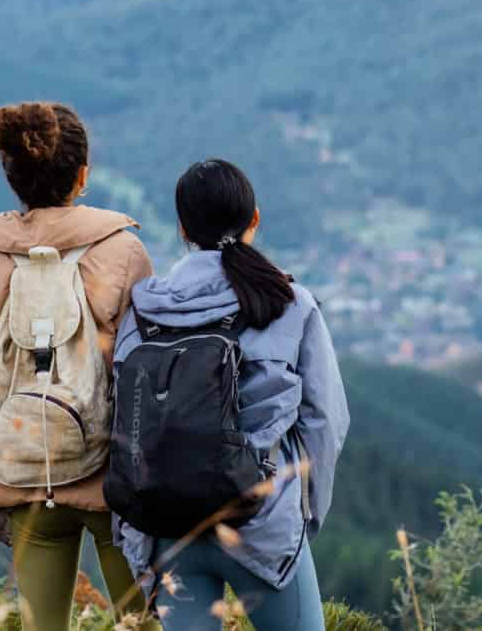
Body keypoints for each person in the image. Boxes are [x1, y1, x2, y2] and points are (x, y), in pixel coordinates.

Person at [117, 158, 350, 631]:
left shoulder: (144, 309)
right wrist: (306, 517)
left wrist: (133, 530)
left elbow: (120, 415)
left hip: (168, 528)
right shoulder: (287, 303)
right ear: (255, 219)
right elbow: (325, 422)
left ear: (183, 228)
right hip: (262, 520)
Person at [0, 102, 154, 630]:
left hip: (17, 466)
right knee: (145, 623)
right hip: (109, 475)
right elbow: (143, 373)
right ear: (82, 175)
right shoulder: (123, 251)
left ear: (12, 175)